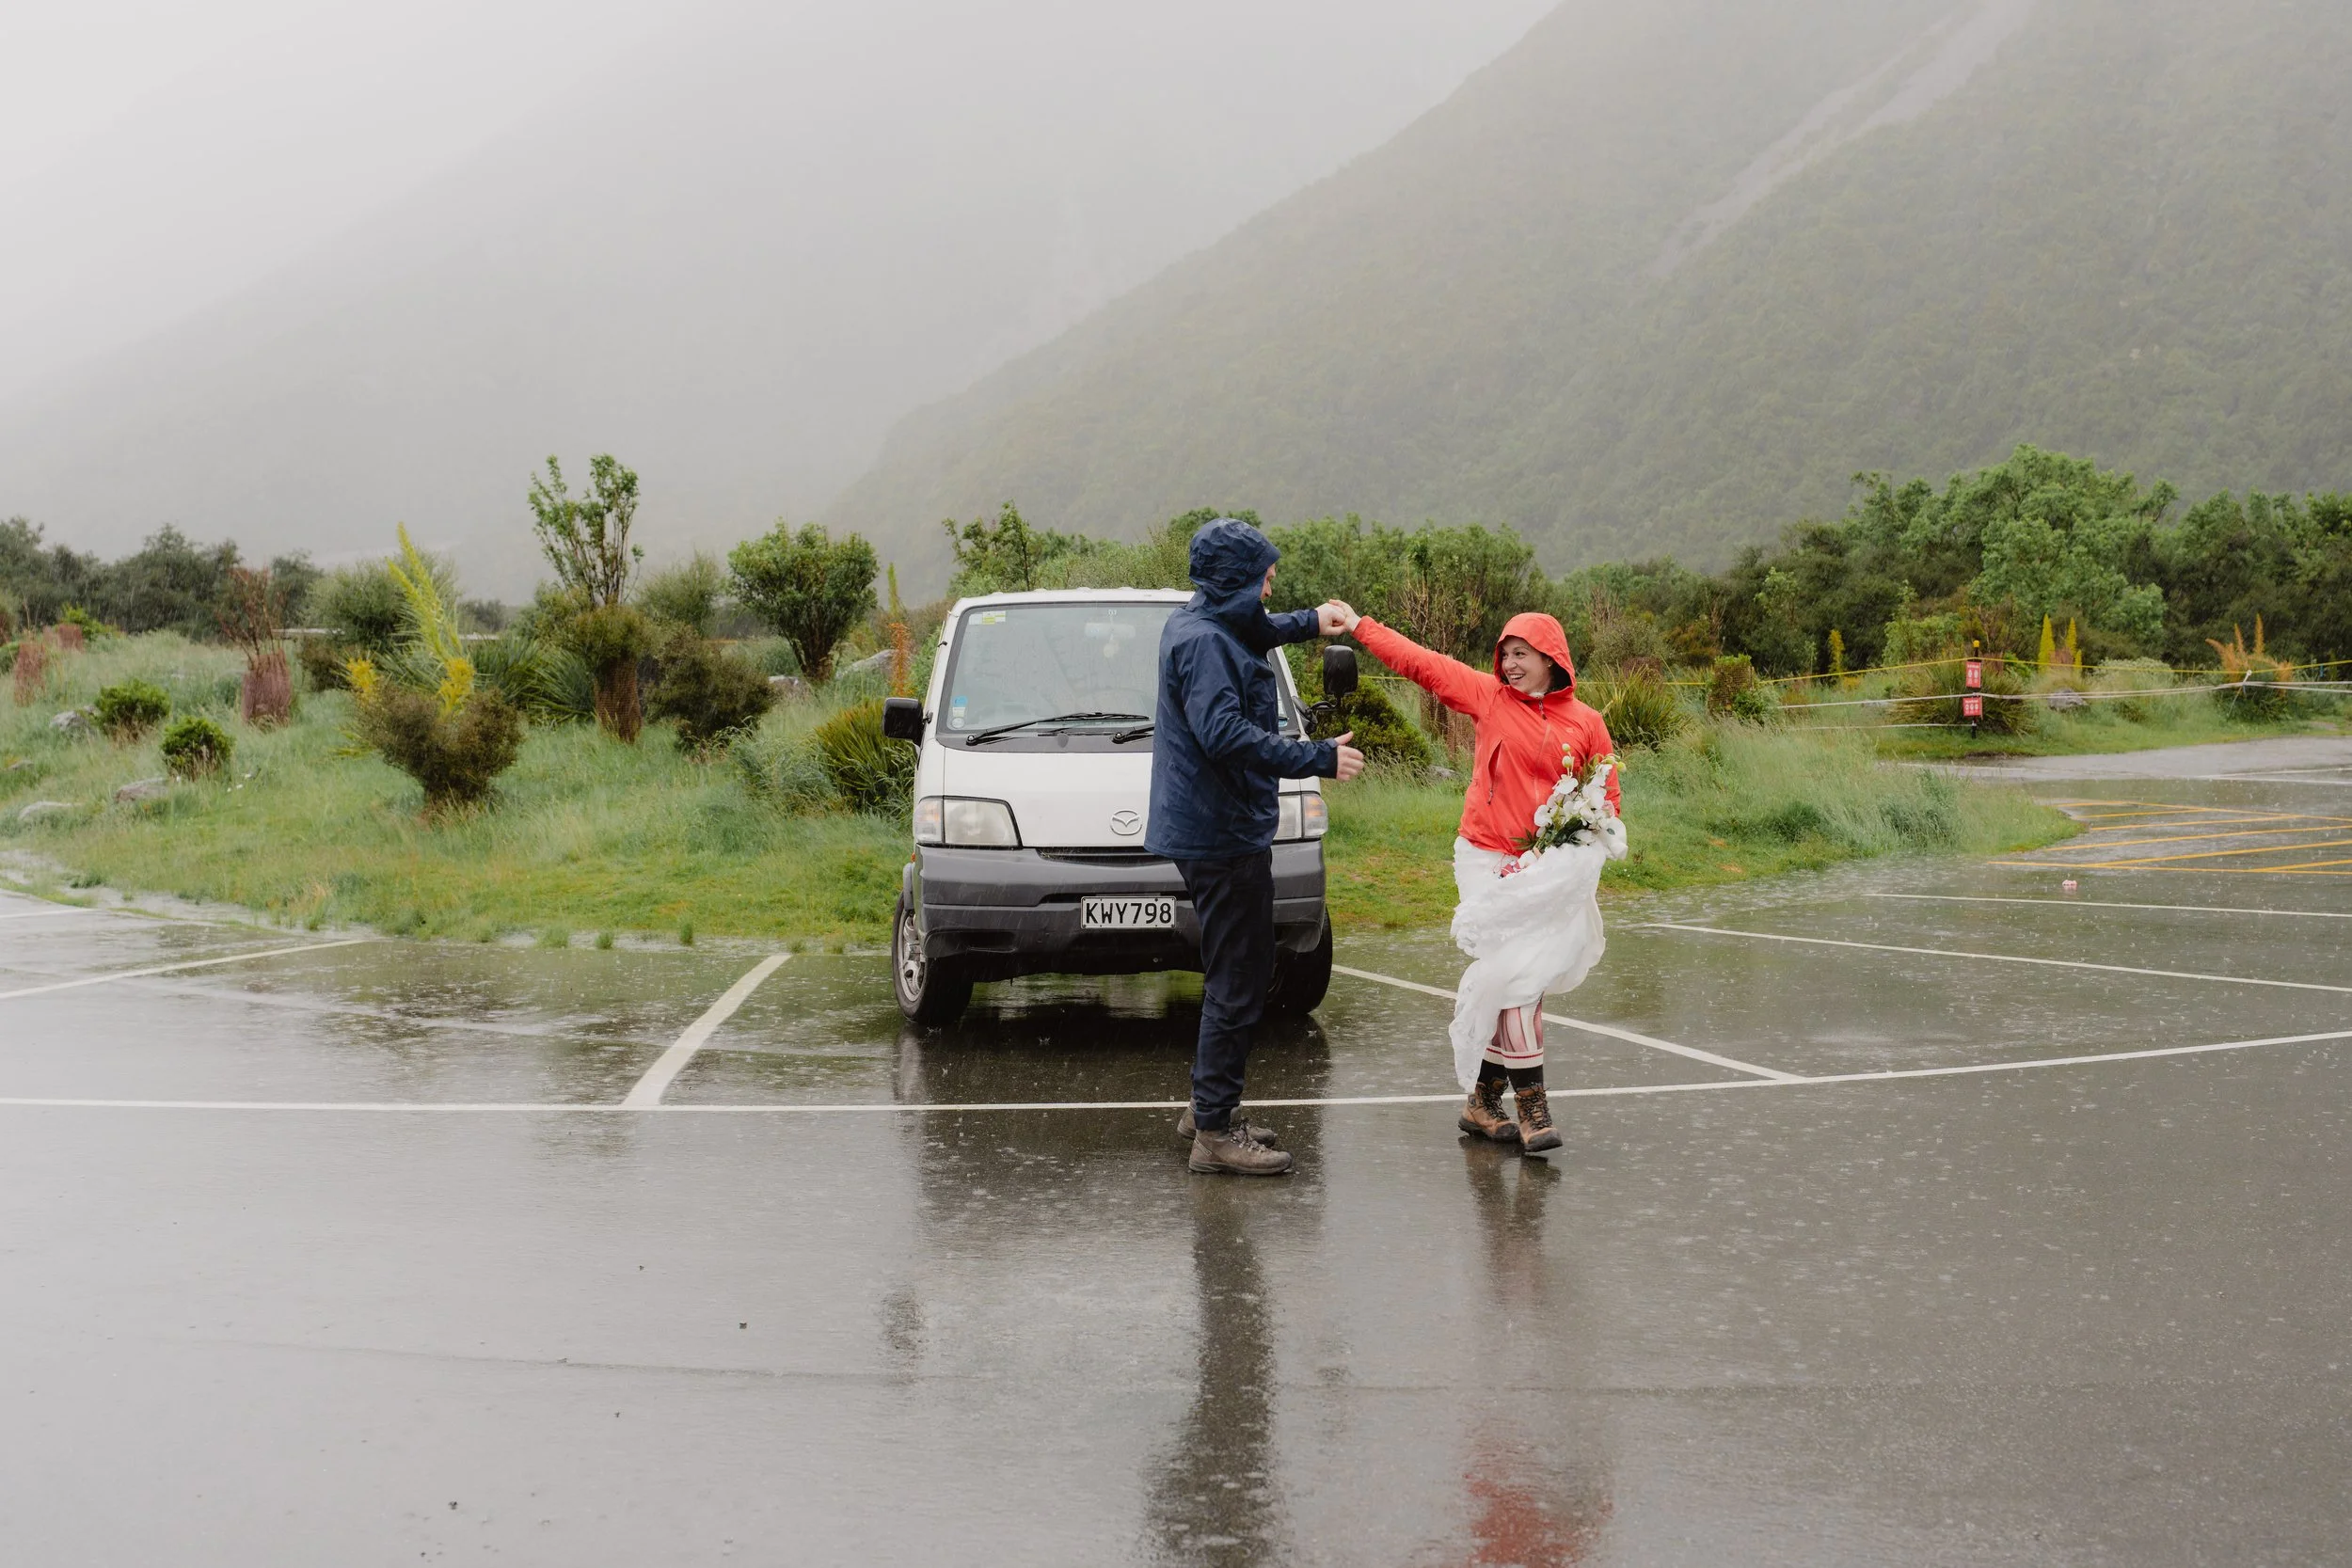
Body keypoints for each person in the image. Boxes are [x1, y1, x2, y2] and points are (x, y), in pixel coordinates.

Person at [1321, 601, 1617, 1153]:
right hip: (1486, 860)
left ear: (1551, 658)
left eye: (1521, 654)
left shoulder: (1587, 722)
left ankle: (1482, 1101)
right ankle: (1534, 1110)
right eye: (1505, 654)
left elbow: (1606, 800)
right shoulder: (1488, 697)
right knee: (1517, 982)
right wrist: (1361, 626)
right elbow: (1421, 663)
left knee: (1520, 983)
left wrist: (1573, 852)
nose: (1509, 665)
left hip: (1550, 873)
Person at [1150, 518, 1364, 1176]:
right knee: (1240, 977)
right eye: (1264, 576)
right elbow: (1223, 734)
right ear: (1235, 580)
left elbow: (1254, 627)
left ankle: (1206, 1107)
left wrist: (1312, 622)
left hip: (1217, 824)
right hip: (1220, 832)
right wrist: (1317, 757)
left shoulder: (1204, 621)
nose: (1270, 585)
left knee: (1236, 968)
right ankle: (1215, 1131)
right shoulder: (1206, 644)